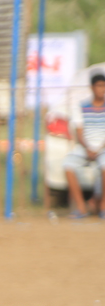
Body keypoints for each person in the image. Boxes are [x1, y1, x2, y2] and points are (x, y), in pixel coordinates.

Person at [64, 73, 105, 218]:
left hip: (103, 149)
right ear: (92, 88)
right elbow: (79, 132)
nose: (102, 89)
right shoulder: (82, 106)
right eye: (99, 86)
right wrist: (88, 148)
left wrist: (99, 149)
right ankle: (81, 208)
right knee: (68, 164)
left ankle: (103, 207)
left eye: (104, 86)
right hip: (85, 147)